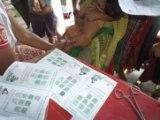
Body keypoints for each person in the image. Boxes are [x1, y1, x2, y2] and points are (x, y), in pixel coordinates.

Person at [0, 1, 64, 75]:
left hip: (10, 54)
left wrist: (52, 47)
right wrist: (50, 54)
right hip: (7, 70)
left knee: (45, 53)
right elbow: (10, 69)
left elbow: (24, 34)